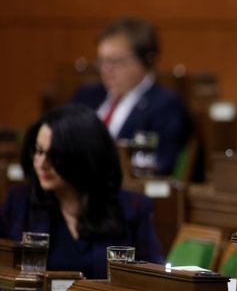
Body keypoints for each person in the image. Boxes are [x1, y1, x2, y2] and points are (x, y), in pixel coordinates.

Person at [0, 104, 163, 278]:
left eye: (54, 155)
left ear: (83, 157)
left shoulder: (132, 208)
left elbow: (153, 279)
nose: (41, 164)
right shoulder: (19, 202)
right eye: (38, 151)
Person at [71, 16, 191, 176]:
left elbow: (161, 165)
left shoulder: (165, 105)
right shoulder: (87, 95)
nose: (106, 70)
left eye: (116, 62)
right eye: (102, 61)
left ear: (147, 60)